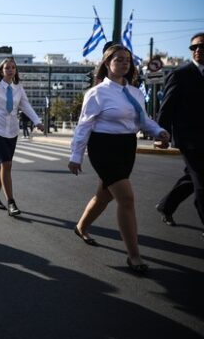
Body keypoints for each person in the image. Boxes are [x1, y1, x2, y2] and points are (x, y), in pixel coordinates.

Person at [68, 44, 170, 274]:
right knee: (126, 198)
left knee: (104, 196)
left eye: (128, 60)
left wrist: (159, 131)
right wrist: (76, 156)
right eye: (119, 59)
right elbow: (84, 126)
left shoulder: (135, 92)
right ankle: (134, 255)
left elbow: (143, 121)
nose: (125, 63)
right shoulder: (97, 93)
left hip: (126, 147)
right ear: (107, 63)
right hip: (103, 147)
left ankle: (81, 227)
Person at [0, 58, 44, 216]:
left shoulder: (18, 88)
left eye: (13, 68)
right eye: (7, 68)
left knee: (1, 166)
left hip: (12, 131)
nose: (11, 70)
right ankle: (11, 203)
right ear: (2, 70)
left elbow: (26, 105)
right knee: (6, 165)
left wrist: (37, 121)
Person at [155, 32, 204, 230]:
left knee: (190, 179)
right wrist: (161, 133)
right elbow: (167, 106)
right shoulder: (180, 74)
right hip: (189, 140)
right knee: (202, 184)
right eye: (194, 47)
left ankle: (166, 206)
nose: (198, 50)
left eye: (202, 46)